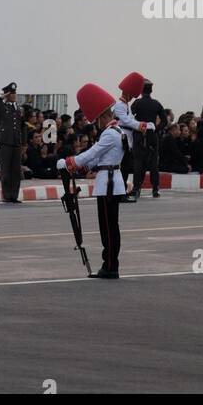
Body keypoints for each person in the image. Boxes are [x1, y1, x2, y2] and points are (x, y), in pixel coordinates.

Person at [58, 82, 125, 280]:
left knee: (108, 228)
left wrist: (69, 163)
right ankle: (110, 264)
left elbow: (92, 153)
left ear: (104, 116)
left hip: (108, 185)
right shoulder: (116, 132)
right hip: (110, 182)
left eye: (97, 119)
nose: (96, 123)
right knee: (110, 227)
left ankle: (111, 266)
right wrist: (80, 166)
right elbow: (97, 158)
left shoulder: (110, 134)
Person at [112, 71, 148, 202]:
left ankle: (121, 193)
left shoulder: (125, 105)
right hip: (122, 137)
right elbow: (126, 121)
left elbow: (130, 120)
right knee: (123, 167)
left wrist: (143, 125)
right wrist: (140, 126)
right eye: (131, 95)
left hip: (127, 137)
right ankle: (120, 194)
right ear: (126, 93)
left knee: (125, 168)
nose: (132, 98)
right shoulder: (120, 106)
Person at [0, 83, 25, 203]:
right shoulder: (3, 107)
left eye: (14, 93)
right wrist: (2, 97)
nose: (13, 95)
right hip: (5, 142)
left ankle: (14, 195)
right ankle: (7, 195)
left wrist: (24, 143)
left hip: (16, 142)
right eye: (11, 93)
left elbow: (23, 127)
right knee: (6, 170)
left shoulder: (19, 108)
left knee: (15, 170)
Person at [131, 78, 165, 198]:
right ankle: (155, 188)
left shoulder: (136, 103)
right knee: (154, 163)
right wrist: (156, 128)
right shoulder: (156, 104)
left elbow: (130, 118)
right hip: (152, 135)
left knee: (138, 162)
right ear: (151, 90)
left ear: (141, 90)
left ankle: (136, 188)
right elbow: (165, 121)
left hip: (140, 134)